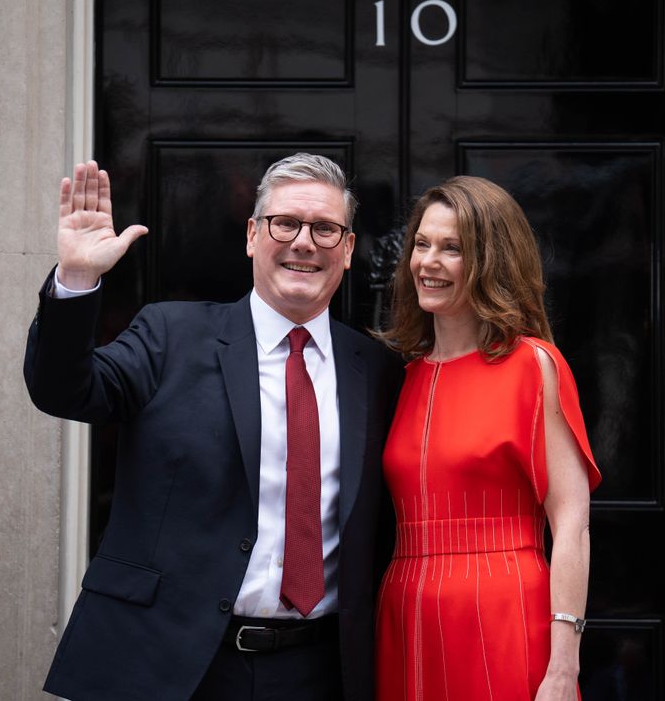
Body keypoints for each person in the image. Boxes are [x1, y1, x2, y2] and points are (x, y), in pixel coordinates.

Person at [24, 153, 402, 701]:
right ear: (252, 235)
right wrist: (78, 279)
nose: (303, 242)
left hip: (319, 671)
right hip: (168, 664)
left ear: (346, 248)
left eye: (325, 229)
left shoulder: (379, 371)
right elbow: (63, 389)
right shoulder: (170, 334)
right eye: (285, 223)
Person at [374, 176, 602, 700]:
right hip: (404, 613)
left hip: (501, 607)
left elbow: (571, 523)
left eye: (452, 248)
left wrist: (564, 666)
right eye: (422, 244)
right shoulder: (401, 378)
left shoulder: (533, 366)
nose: (428, 262)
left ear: (490, 261)